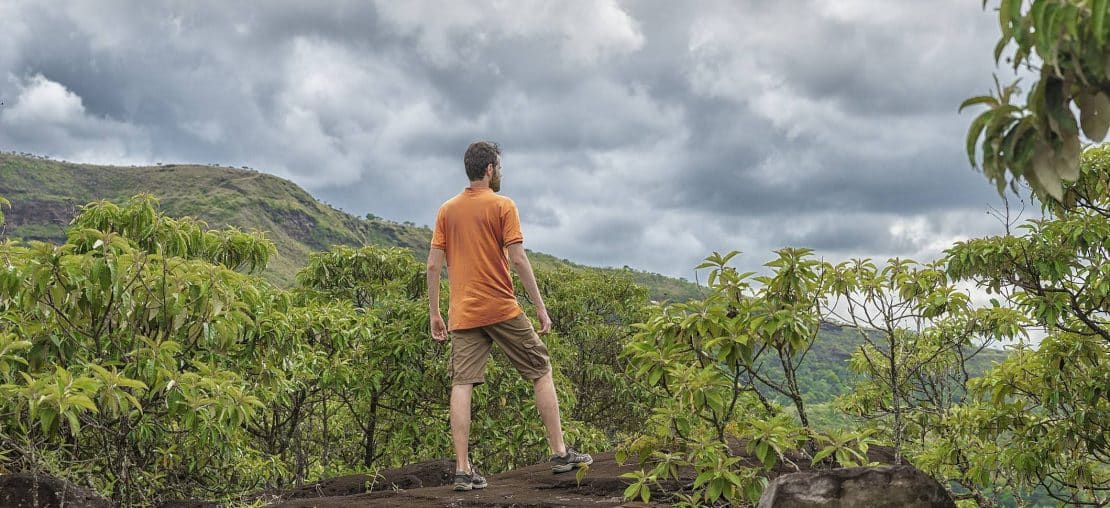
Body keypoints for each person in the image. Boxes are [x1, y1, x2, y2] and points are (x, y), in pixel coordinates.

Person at [427, 141, 592, 492]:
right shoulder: (503, 205)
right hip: (501, 306)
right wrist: (540, 307)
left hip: (464, 312)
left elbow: (432, 265)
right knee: (541, 368)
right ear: (489, 169)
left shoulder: (447, 210)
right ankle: (560, 454)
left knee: (462, 383)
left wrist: (435, 314)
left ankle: (462, 470)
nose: (500, 172)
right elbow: (518, 259)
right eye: (498, 167)